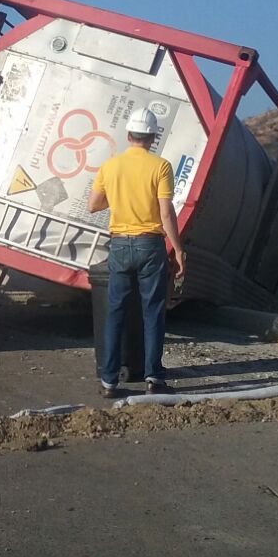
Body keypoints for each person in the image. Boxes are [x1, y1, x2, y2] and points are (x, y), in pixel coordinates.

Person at [86, 107, 185, 399]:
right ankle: (153, 377)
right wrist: (178, 250)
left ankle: (109, 381)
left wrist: (117, 199)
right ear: (152, 138)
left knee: (115, 310)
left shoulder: (110, 166)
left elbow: (93, 205)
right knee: (152, 312)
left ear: (128, 135)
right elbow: (166, 211)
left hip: (119, 243)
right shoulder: (161, 167)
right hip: (150, 244)